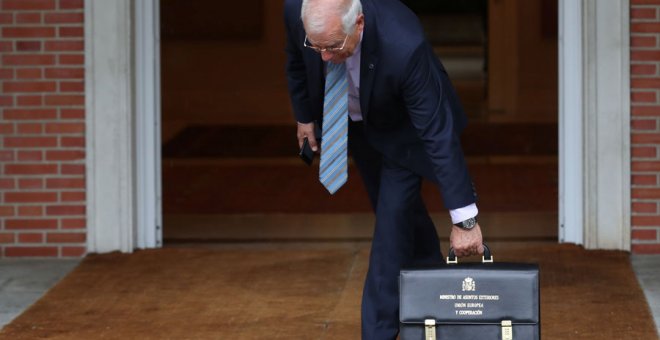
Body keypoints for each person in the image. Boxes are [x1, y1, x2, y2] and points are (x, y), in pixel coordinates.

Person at [283, 0, 484, 338]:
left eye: (333, 47)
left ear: (358, 24)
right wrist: (304, 116)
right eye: (315, 46)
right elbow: (295, 61)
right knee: (401, 215)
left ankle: (378, 329)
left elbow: (438, 134)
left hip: (405, 128)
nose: (325, 58)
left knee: (391, 226)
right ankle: (434, 302)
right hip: (358, 124)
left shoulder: (403, 42)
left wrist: (465, 220)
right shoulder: (297, 10)